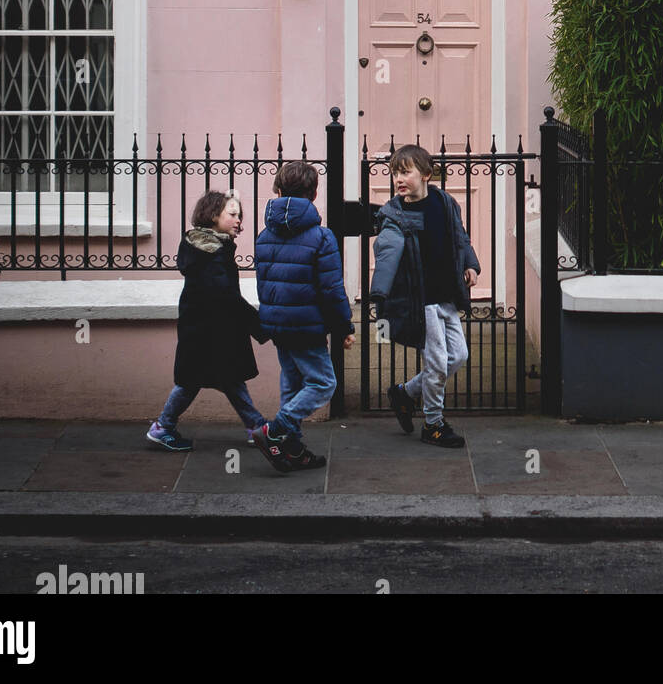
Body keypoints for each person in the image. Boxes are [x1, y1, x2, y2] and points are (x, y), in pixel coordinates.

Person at [369, 144, 480, 449]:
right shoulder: (394, 213)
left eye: (405, 172)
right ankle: (433, 424)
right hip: (422, 301)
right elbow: (387, 249)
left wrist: (470, 263)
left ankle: (404, 393)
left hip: (447, 296)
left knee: (458, 356)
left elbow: (460, 236)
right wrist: (379, 290)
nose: (398, 179)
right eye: (394, 173)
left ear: (427, 174)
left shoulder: (444, 202)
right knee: (435, 365)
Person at [251, 160, 355, 474]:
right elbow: (332, 289)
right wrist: (344, 326)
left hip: (277, 323)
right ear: (313, 194)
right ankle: (276, 430)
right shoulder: (322, 237)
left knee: (292, 382)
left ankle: (292, 449)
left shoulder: (264, 236)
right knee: (324, 383)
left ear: (279, 190)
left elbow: (263, 282)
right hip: (307, 326)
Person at [147, 190, 266, 451]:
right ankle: (164, 426)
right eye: (232, 214)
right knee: (194, 381)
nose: (239, 220)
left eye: (239, 215)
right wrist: (259, 324)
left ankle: (256, 427)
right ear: (213, 216)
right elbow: (225, 296)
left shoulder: (209, 248)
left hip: (208, 329)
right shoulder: (211, 253)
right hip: (207, 331)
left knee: (227, 379)